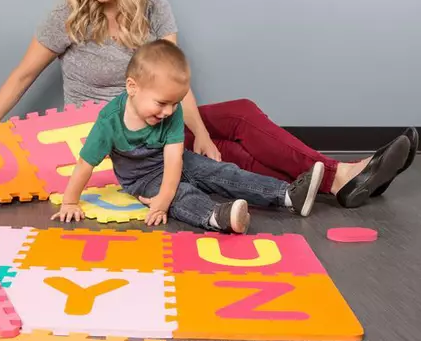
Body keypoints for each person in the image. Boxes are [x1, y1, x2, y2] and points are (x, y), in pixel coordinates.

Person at [0, 0, 416, 209]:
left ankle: (337, 180)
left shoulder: (155, 10)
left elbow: (174, 80)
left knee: (233, 128)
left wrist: (202, 133)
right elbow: (24, 74)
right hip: (110, 136)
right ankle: (339, 177)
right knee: (222, 148)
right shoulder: (68, 17)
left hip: (156, 119)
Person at [50, 39, 327, 234]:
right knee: (181, 195)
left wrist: (165, 193)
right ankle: (215, 217)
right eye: (161, 103)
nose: (169, 111)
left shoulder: (171, 112)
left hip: (177, 161)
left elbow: (174, 161)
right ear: (132, 87)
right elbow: (85, 165)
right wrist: (70, 202)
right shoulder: (109, 122)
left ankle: (287, 195)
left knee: (221, 172)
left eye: (175, 103)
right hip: (142, 179)